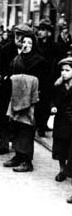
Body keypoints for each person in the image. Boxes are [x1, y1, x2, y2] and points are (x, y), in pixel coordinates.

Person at [3, 33, 45, 173]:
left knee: (27, 129)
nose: (26, 45)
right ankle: (17, 155)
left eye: (30, 43)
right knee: (15, 126)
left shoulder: (40, 61)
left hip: (30, 101)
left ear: (34, 46)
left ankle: (27, 160)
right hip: (16, 99)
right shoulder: (17, 59)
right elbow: (9, 74)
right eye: (24, 43)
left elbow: (42, 82)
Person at [0, 24, 33, 155]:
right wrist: (5, 76)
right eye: (17, 35)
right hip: (7, 88)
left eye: (22, 36)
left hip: (23, 91)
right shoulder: (7, 49)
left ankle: (18, 145)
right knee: (3, 115)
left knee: (20, 117)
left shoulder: (32, 52)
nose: (19, 38)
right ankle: (3, 141)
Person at [51, 57, 72, 186]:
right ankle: (62, 169)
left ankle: (69, 169)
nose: (63, 73)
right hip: (61, 120)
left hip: (71, 121)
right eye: (62, 70)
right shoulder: (58, 85)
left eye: (67, 70)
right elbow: (51, 98)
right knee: (60, 146)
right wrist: (52, 106)